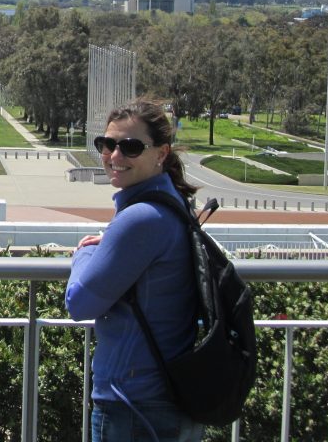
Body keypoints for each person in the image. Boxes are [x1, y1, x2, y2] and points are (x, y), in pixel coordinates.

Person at [66, 98, 203, 442]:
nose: (114, 156)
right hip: (165, 398)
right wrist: (112, 239)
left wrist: (82, 254)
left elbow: (79, 303)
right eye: (107, 144)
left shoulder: (140, 219)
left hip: (135, 406)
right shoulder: (170, 203)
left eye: (130, 147)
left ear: (161, 153)